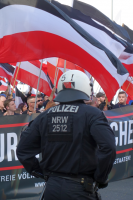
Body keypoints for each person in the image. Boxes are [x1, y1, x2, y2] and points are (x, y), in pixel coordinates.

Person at [17, 70, 116, 200]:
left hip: (51, 188)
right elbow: (108, 147)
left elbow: (23, 150)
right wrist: (100, 177)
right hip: (80, 188)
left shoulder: (45, 115)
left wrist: (43, 173)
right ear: (85, 87)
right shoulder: (93, 114)